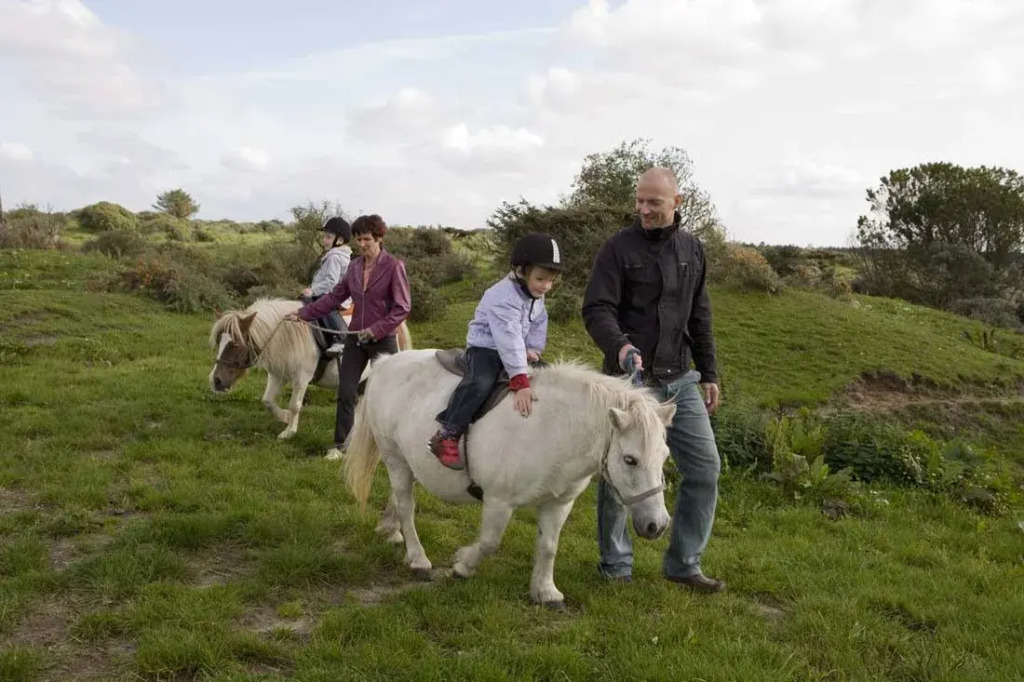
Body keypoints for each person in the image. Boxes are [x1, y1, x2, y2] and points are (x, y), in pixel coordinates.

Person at [581, 166, 725, 593]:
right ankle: (616, 565)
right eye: (639, 201)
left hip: (680, 379)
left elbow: (699, 315)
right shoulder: (617, 249)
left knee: (704, 468)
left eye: (654, 202)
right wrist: (620, 346)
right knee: (617, 476)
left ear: (676, 202)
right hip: (630, 383)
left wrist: (709, 372)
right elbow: (596, 309)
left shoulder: (693, 250)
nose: (643, 208)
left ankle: (683, 563)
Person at [429, 233, 563, 471]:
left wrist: (533, 349)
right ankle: (448, 433)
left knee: (548, 376)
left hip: (515, 348)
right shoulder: (503, 297)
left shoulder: (535, 295)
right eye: (541, 278)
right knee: (480, 382)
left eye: (550, 281)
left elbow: (539, 322)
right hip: (487, 348)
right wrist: (520, 381)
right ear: (522, 271)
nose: (546, 286)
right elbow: (508, 338)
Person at [286, 214, 411, 459]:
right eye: (358, 240)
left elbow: (402, 308)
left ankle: (395, 446)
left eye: (367, 239)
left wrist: (376, 329)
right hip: (354, 338)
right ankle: (341, 446)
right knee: (346, 392)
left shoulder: (394, 267)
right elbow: (333, 298)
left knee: (388, 395)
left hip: (382, 340)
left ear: (379, 238)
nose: (362, 245)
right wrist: (303, 313)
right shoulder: (354, 266)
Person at [300, 216, 353, 356]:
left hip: (336, 296)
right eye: (324, 237)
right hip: (332, 293)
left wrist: (312, 290)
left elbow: (331, 281)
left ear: (339, 240)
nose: (324, 240)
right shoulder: (337, 255)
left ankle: (341, 338)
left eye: (328, 237)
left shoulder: (334, 257)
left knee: (323, 304)